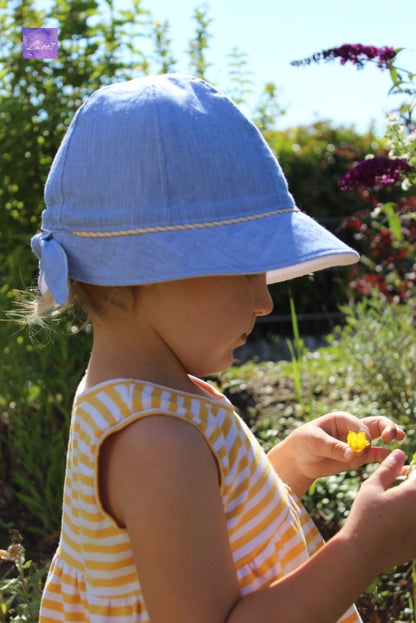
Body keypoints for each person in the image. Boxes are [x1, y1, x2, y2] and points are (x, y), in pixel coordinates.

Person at [29, 74, 416, 623]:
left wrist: (291, 468)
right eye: (245, 270)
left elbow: (211, 528)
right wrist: (365, 547)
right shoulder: (156, 441)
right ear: (153, 270)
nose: (264, 302)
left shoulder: (150, 401)